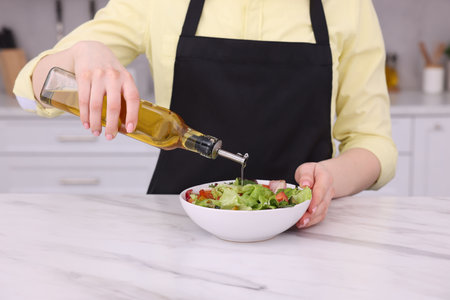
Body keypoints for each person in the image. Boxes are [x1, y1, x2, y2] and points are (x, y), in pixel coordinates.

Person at [14, 0, 397, 229]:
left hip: (305, 235)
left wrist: (331, 178)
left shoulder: (347, 5)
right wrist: (82, 54)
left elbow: (373, 143)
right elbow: (32, 85)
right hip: (179, 236)